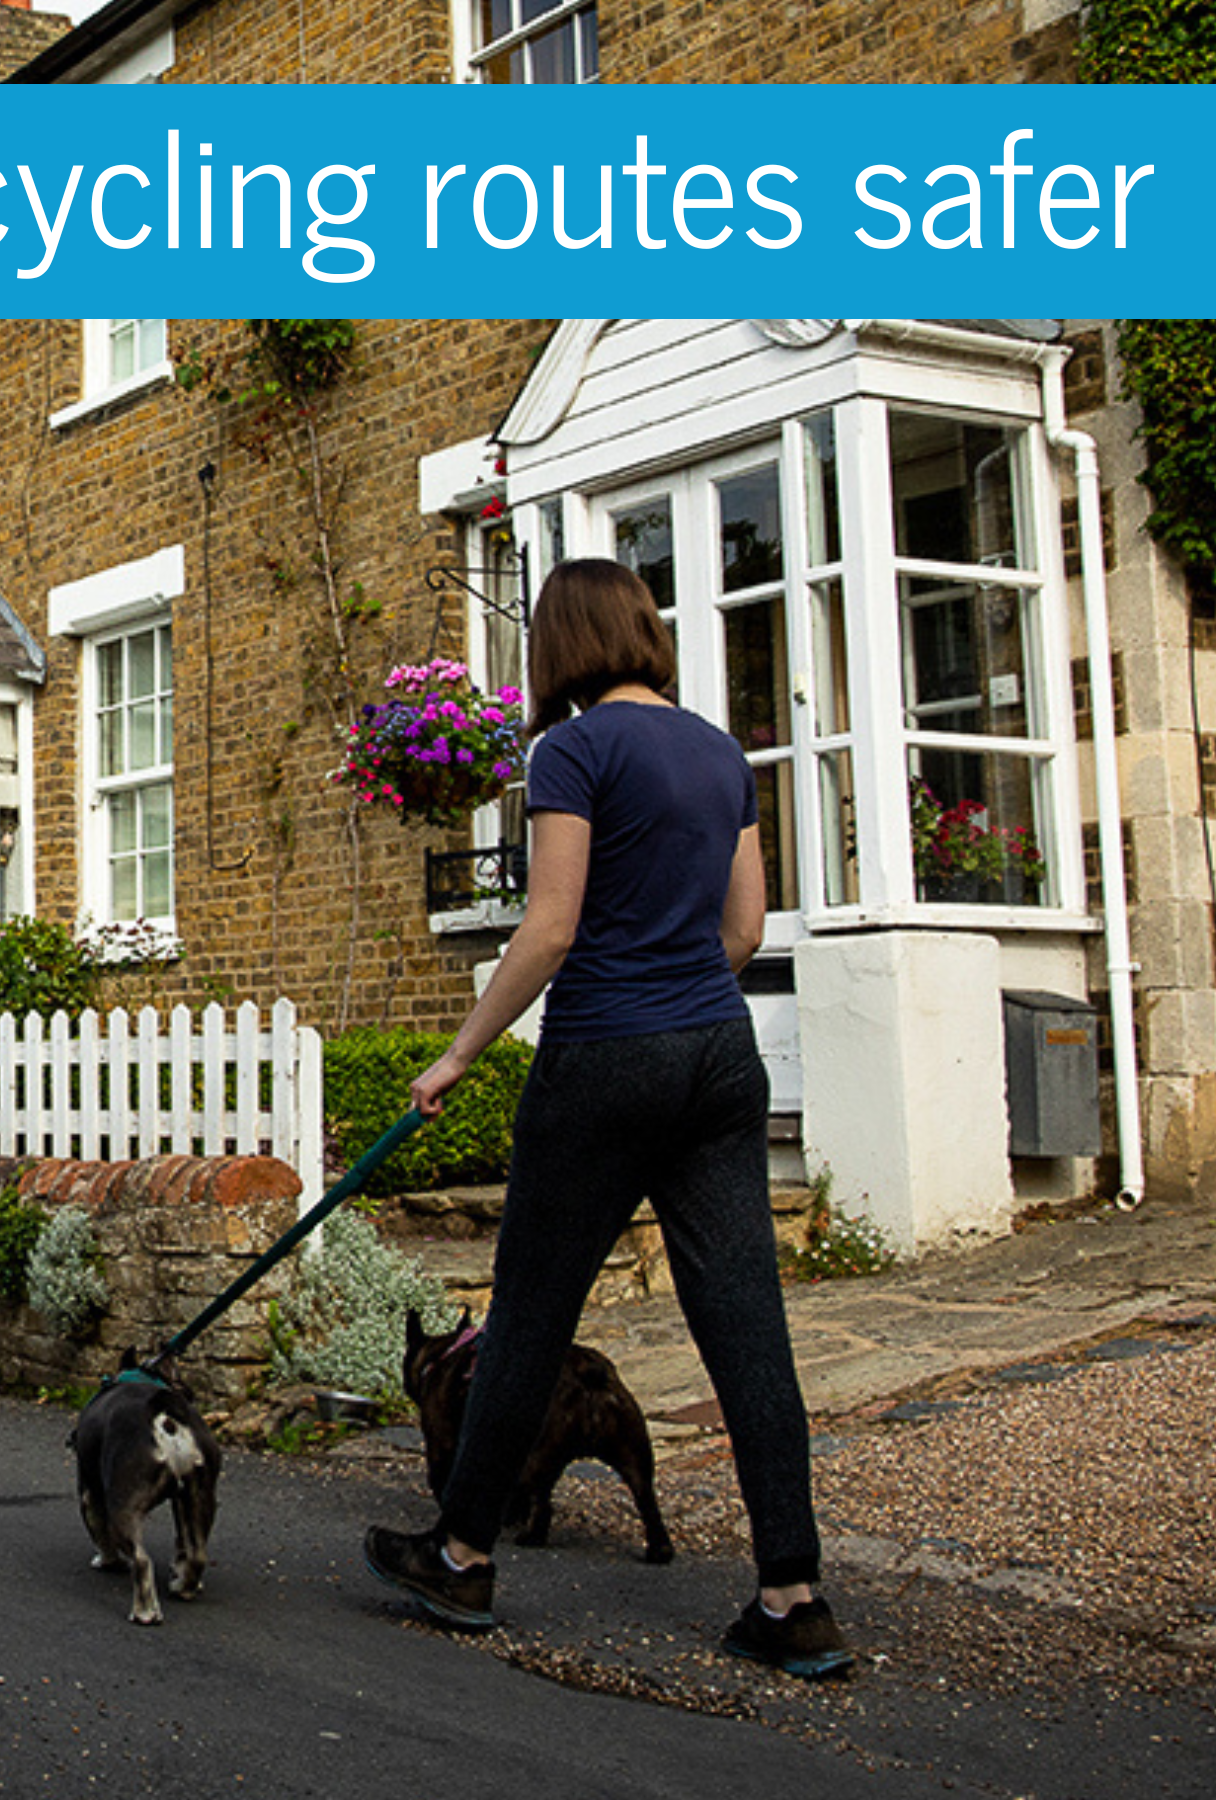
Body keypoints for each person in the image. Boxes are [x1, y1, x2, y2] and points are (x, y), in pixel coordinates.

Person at [359, 557, 850, 1680]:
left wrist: (454, 1056)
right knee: (745, 1327)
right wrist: (681, 999)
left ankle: (461, 1552)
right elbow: (743, 929)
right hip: (718, 1057)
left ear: (560, 647)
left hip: (603, 1058)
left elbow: (547, 929)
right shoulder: (717, 751)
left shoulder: (570, 752)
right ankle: (791, 1597)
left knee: (528, 1315)